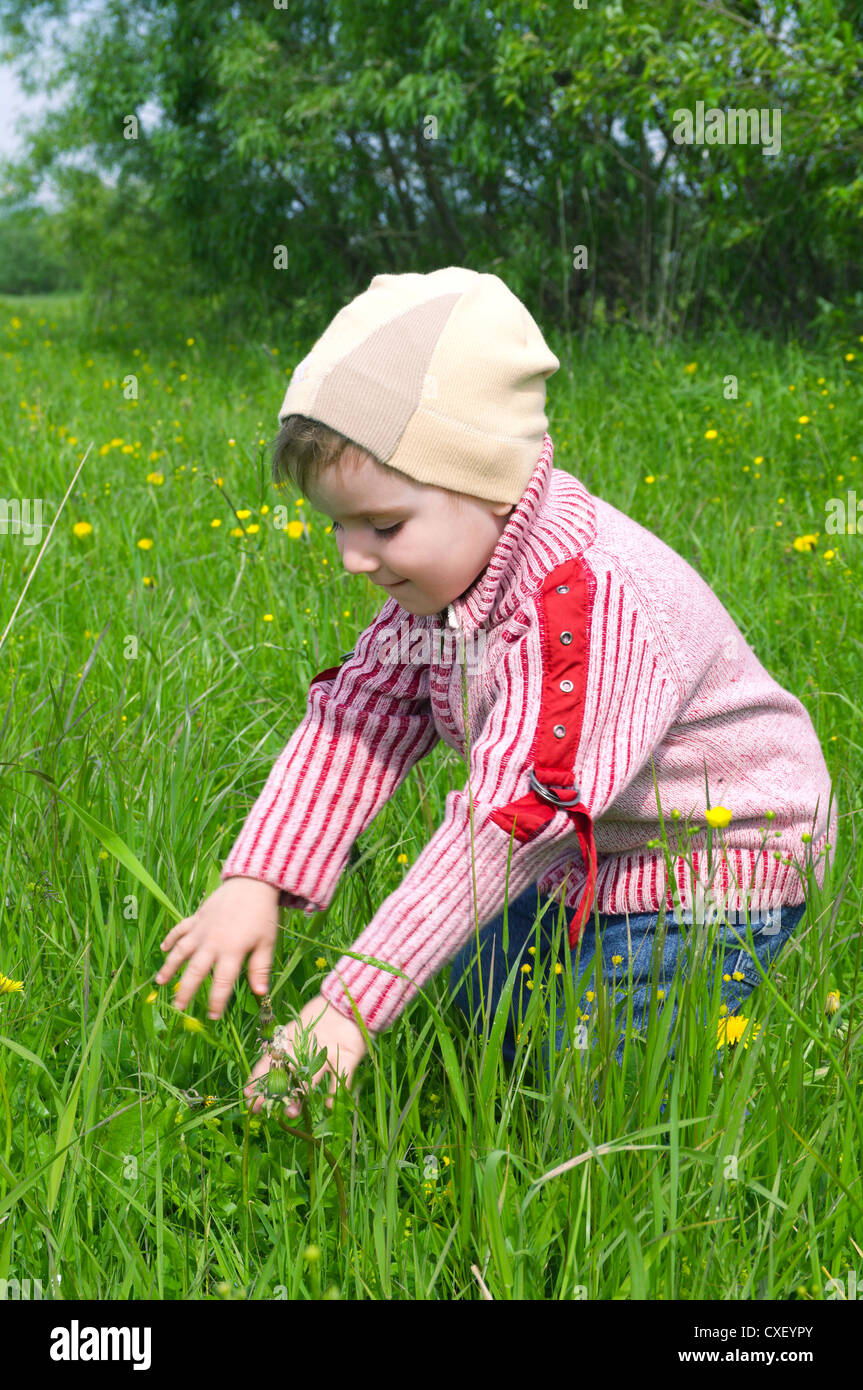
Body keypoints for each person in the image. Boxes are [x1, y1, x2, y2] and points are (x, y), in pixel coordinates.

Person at [154, 266, 837, 1116]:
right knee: (478, 1010)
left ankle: (636, 1158)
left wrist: (344, 1008)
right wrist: (255, 878)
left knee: (590, 1083)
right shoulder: (447, 587)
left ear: (490, 483)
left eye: (383, 526)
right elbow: (360, 717)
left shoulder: (585, 606)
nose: (351, 558)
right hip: (585, 856)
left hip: (708, 862)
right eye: (336, 525)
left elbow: (508, 823)